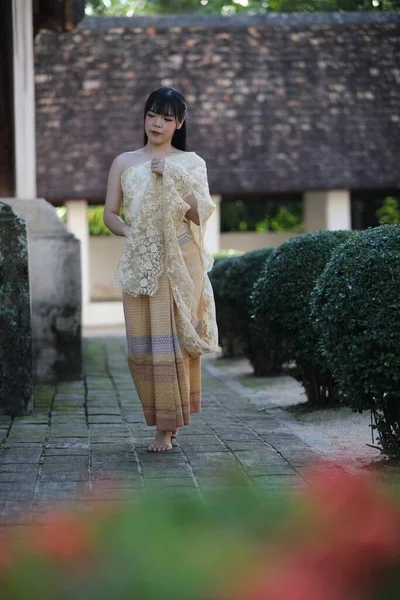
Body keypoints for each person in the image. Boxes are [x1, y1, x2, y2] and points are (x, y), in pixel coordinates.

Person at [104, 87, 218, 453]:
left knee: (172, 345)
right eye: (153, 114)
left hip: (181, 261)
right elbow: (110, 214)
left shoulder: (190, 163)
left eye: (167, 118)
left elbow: (200, 214)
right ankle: (163, 416)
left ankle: (166, 429)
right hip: (140, 261)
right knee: (143, 347)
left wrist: (173, 176)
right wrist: (130, 233)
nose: (157, 123)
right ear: (145, 116)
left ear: (179, 123)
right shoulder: (123, 162)